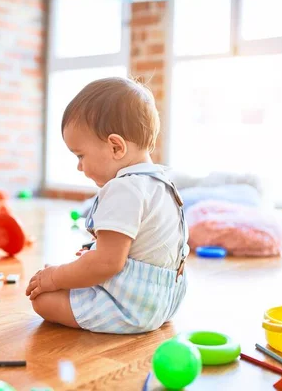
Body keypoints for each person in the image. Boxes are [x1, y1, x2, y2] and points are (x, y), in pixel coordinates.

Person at [26, 77, 189, 334]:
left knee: (42, 301)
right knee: (78, 273)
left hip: (134, 306)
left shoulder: (123, 188)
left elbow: (107, 265)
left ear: (115, 147)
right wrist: (91, 258)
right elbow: (132, 250)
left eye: (80, 155)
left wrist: (54, 277)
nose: (79, 166)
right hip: (167, 301)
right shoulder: (161, 182)